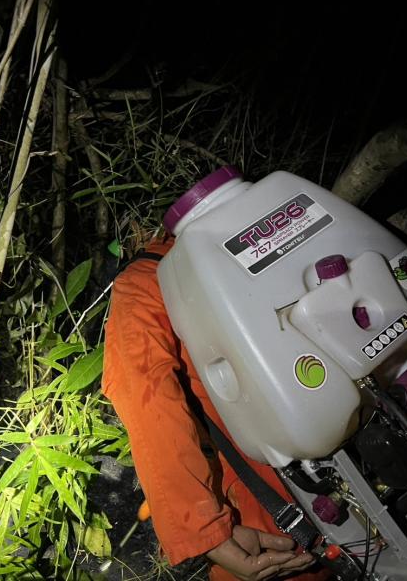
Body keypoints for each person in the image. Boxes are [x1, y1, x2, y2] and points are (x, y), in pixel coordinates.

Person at [102, 233, 330, 581]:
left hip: (273, 515)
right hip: (368, 462)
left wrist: (205, 530)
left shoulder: (148, 280)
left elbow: (148, 398)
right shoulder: (287, 230)